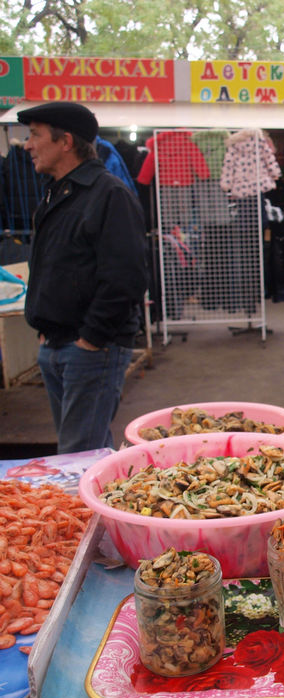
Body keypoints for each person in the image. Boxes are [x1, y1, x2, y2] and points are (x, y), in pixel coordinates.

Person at [18, 101, 148, 453]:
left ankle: (90, 510)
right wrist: (48, 333)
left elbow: (127, 277)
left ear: (65, 142)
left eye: (34, 135)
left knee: (78, 456)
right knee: (82, 453)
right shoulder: (57, 192)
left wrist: (91, 339)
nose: (27, 144)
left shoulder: (109, 194)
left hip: (91, 349)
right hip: (58, 344)